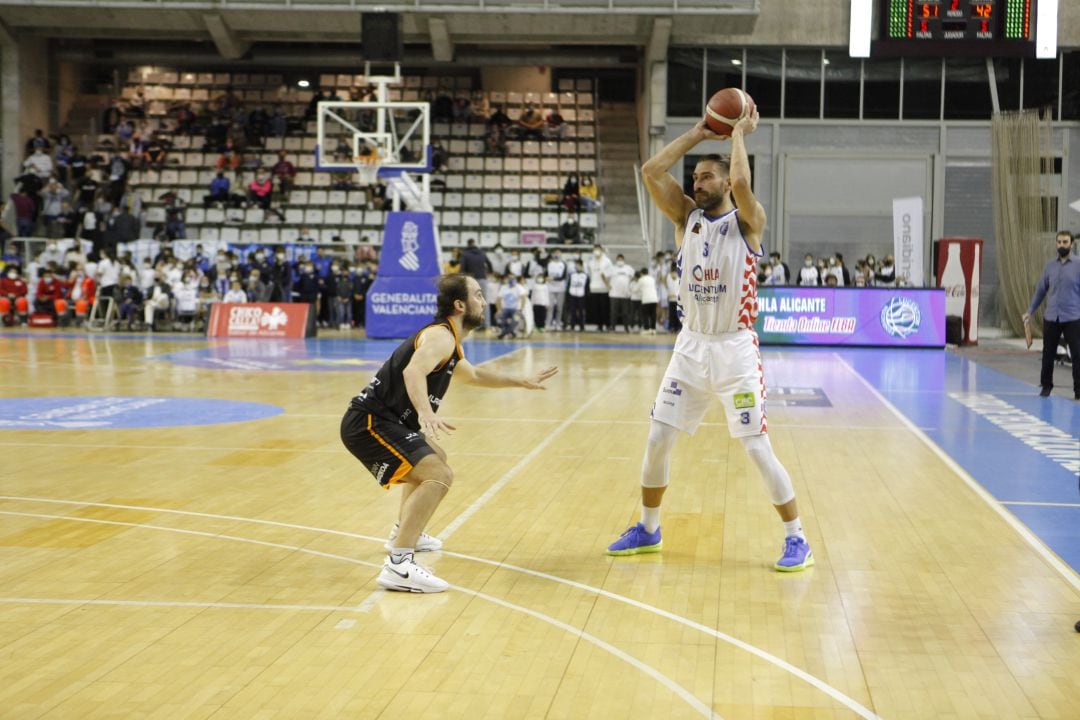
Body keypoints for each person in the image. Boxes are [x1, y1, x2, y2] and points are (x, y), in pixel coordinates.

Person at [607, 111, 814, 572]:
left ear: (725, 182)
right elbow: (650, 171)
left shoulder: (747, 222)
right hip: (690, 347)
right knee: (658, 438)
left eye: (707, 176)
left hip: (734, 350)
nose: (697, 182)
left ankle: (797, 537)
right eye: (695, 176)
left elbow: (741, 179)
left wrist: (737, 133)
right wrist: (699, 133)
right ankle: (648, 527)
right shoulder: (686, 218)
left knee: (756, 446)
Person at [340, 275, 558, 593]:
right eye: (478, 295)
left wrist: (520, 381)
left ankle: (403, 532)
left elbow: (473, 375)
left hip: (385, 421)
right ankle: (399, 564)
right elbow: (413, 371)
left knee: (435, 459)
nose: (483, 302)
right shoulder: (440, 336)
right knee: (438, 474)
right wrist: (426, 414)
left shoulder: (450, 342)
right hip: (370, 422)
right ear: (460, 305)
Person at [1023, 230, 1080, 400]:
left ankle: (1079, 390)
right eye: (1059, 242)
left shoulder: (1078, 265)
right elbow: (1040, 291)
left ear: (1071, 244)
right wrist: (1030, 311)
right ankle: (1046, 386)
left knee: (1077, 355)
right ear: (1056, 244)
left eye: (1065, 242)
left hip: (1073, 317)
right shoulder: (1049, 266)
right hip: (1052, 317)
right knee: (1048, 353)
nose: (1062, 245)